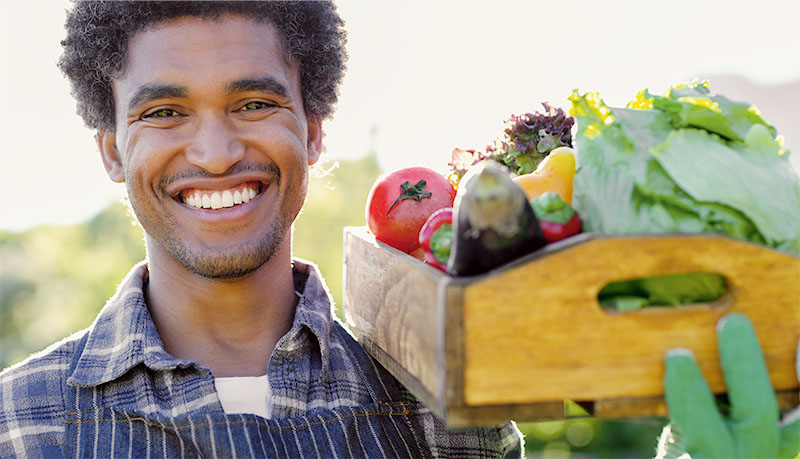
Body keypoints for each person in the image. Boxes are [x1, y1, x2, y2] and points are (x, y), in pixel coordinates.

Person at [0, 1, 523, 457]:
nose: (216, 155)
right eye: (164, 112)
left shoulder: (439, 414)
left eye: (253, 104)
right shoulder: (18, 427)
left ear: (312, 132)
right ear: (113, 150)